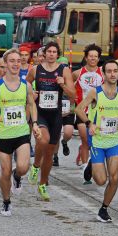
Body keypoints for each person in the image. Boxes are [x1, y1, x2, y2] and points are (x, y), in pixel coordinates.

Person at [0, 48, 41, 216]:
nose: (16, 64)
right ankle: (6, 201)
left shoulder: (26, 85)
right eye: (12, 61)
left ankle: (18, 175)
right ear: (5, 64)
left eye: (18, 61)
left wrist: (35, 124)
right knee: (4, 173)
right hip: (4, 134)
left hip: (21, 132)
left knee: (23, 166)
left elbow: (31, 105)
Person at [75, 60, 118, 222]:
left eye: (115, 71)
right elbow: (79, 109)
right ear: (104, 74)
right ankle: (92, 163)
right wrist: (89, 123)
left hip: (114, 141)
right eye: (109, 71)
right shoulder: (95, 92)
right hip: (98, 141)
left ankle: (104, 209)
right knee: (101, 181)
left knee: (114, 178)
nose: (112, 74)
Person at [26, 42, 75, 201]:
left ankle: (42, 184)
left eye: (55, 52)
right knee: (43, 139)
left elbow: (72, 94)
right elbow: (25, 85)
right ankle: (35, 166)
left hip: (56, 115)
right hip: (40, 113)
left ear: (58, 54)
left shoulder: (64, 70)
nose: (52, 54)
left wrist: (62, 84)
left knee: (50, 153)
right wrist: (31, 93)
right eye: (49, 51)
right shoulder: (36, 69)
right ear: (44, 54)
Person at [73, 44, 104, 180]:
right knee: (85, 139)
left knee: (93, 141)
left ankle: (86, 155)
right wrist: (71, 94)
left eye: (95, 56)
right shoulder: (78, 73)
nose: (93, 58)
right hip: (82, 110)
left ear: (98, 58)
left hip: (97, 112)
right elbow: (69, 86)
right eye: (90, 56)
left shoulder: (103, 73)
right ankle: (86, 168)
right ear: (86, 58)